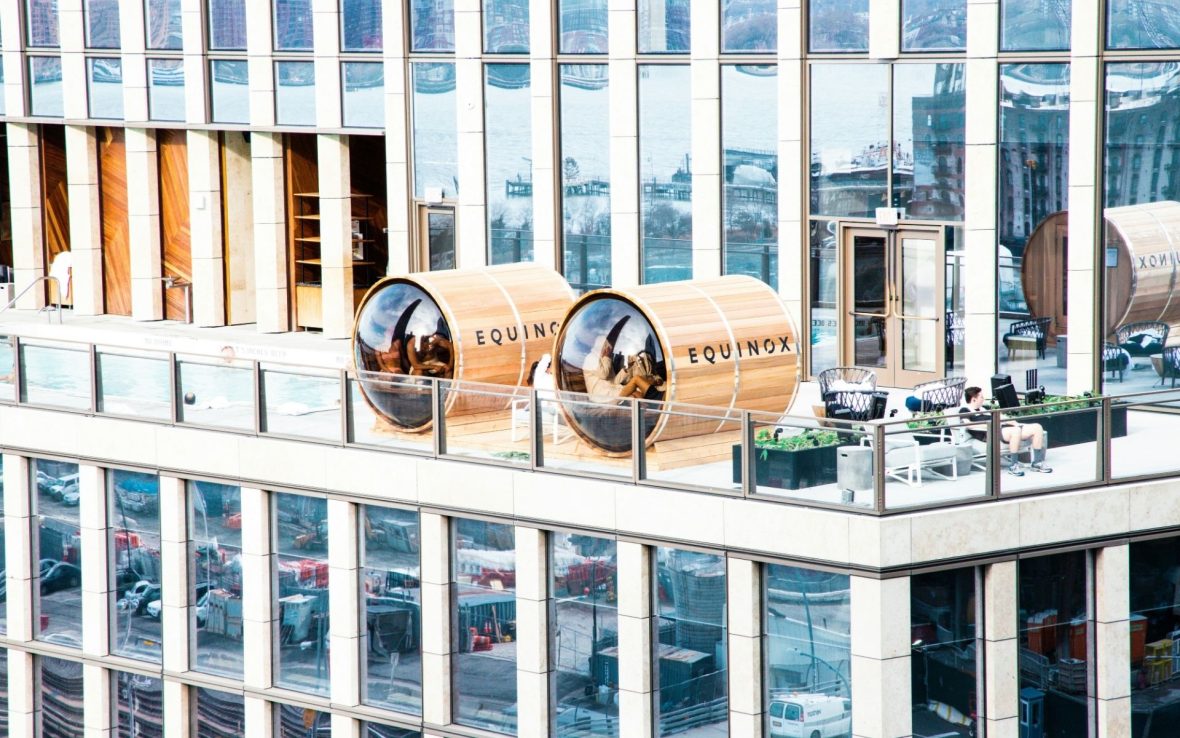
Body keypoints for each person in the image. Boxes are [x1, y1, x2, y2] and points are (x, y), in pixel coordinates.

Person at [959, 386, 1051, 477]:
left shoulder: (983, 409)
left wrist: (1014, 422)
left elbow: (1001, 417)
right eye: (981, 397)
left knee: (1037, 427)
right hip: (991, 433)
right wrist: (992, 425)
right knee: (1015, 431)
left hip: (1004, 428)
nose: (983, 399)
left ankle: (1037, 463)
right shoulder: (965, 410)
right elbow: (968, 425)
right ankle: (1014, 466)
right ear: (974, 399)